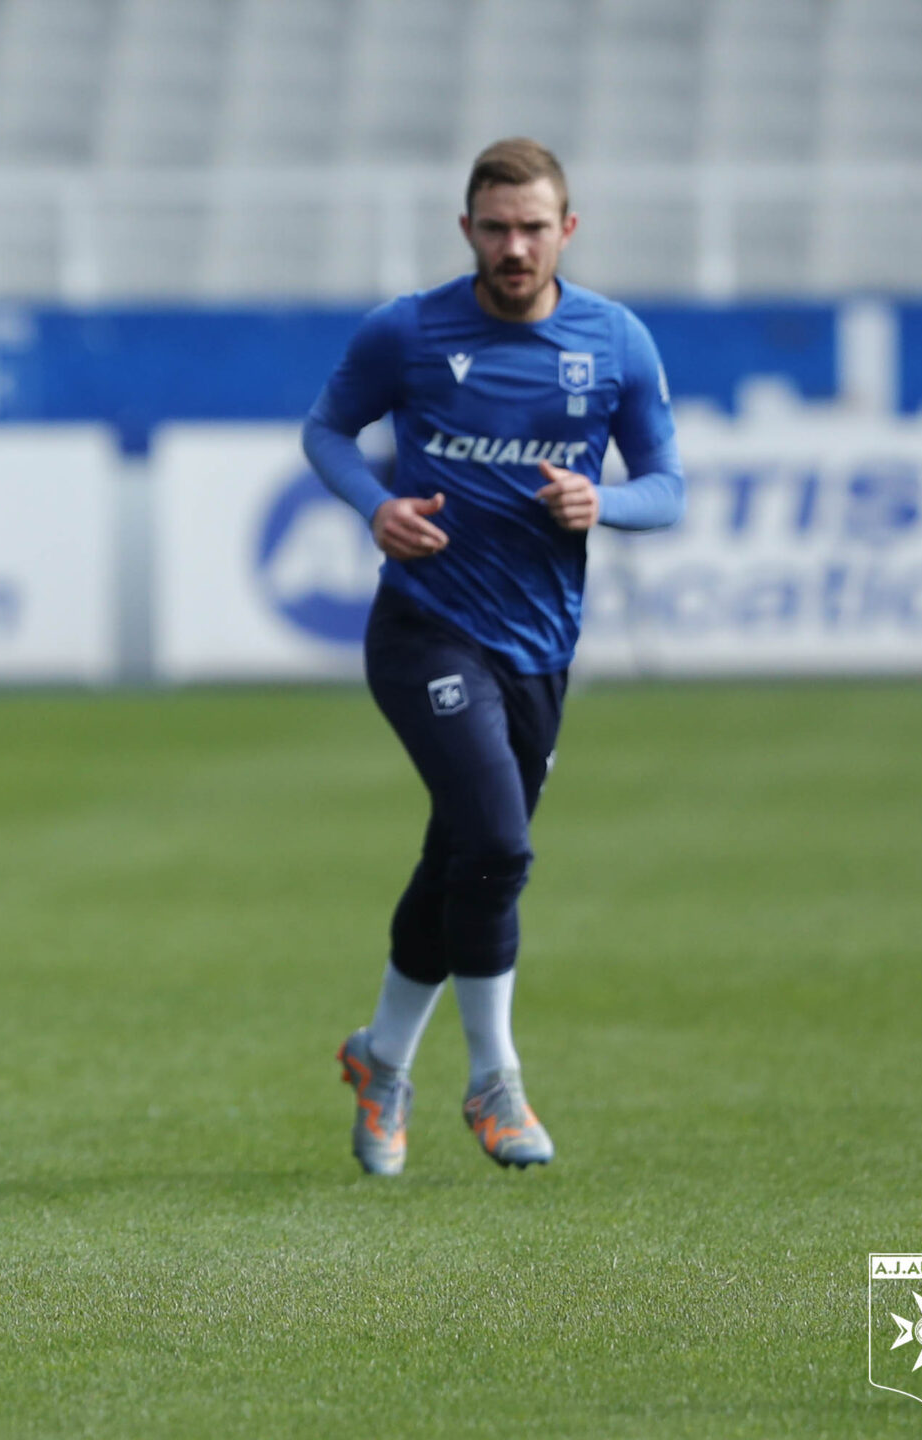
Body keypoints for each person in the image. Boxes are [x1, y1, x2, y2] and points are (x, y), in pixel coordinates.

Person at [302, 137, 685, 1175]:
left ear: (568, 230)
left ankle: (381, 1060)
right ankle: (493, 1081)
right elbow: (327, 432)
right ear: (466, 229)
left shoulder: (614, 340)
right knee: (499, 848)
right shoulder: (410, 330)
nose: (514, 247)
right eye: (496, 228)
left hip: (540, 649)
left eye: (533, 228)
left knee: (465, 858)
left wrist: (604, 502)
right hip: (423, 628)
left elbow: (667, 487)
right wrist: (375, 505)